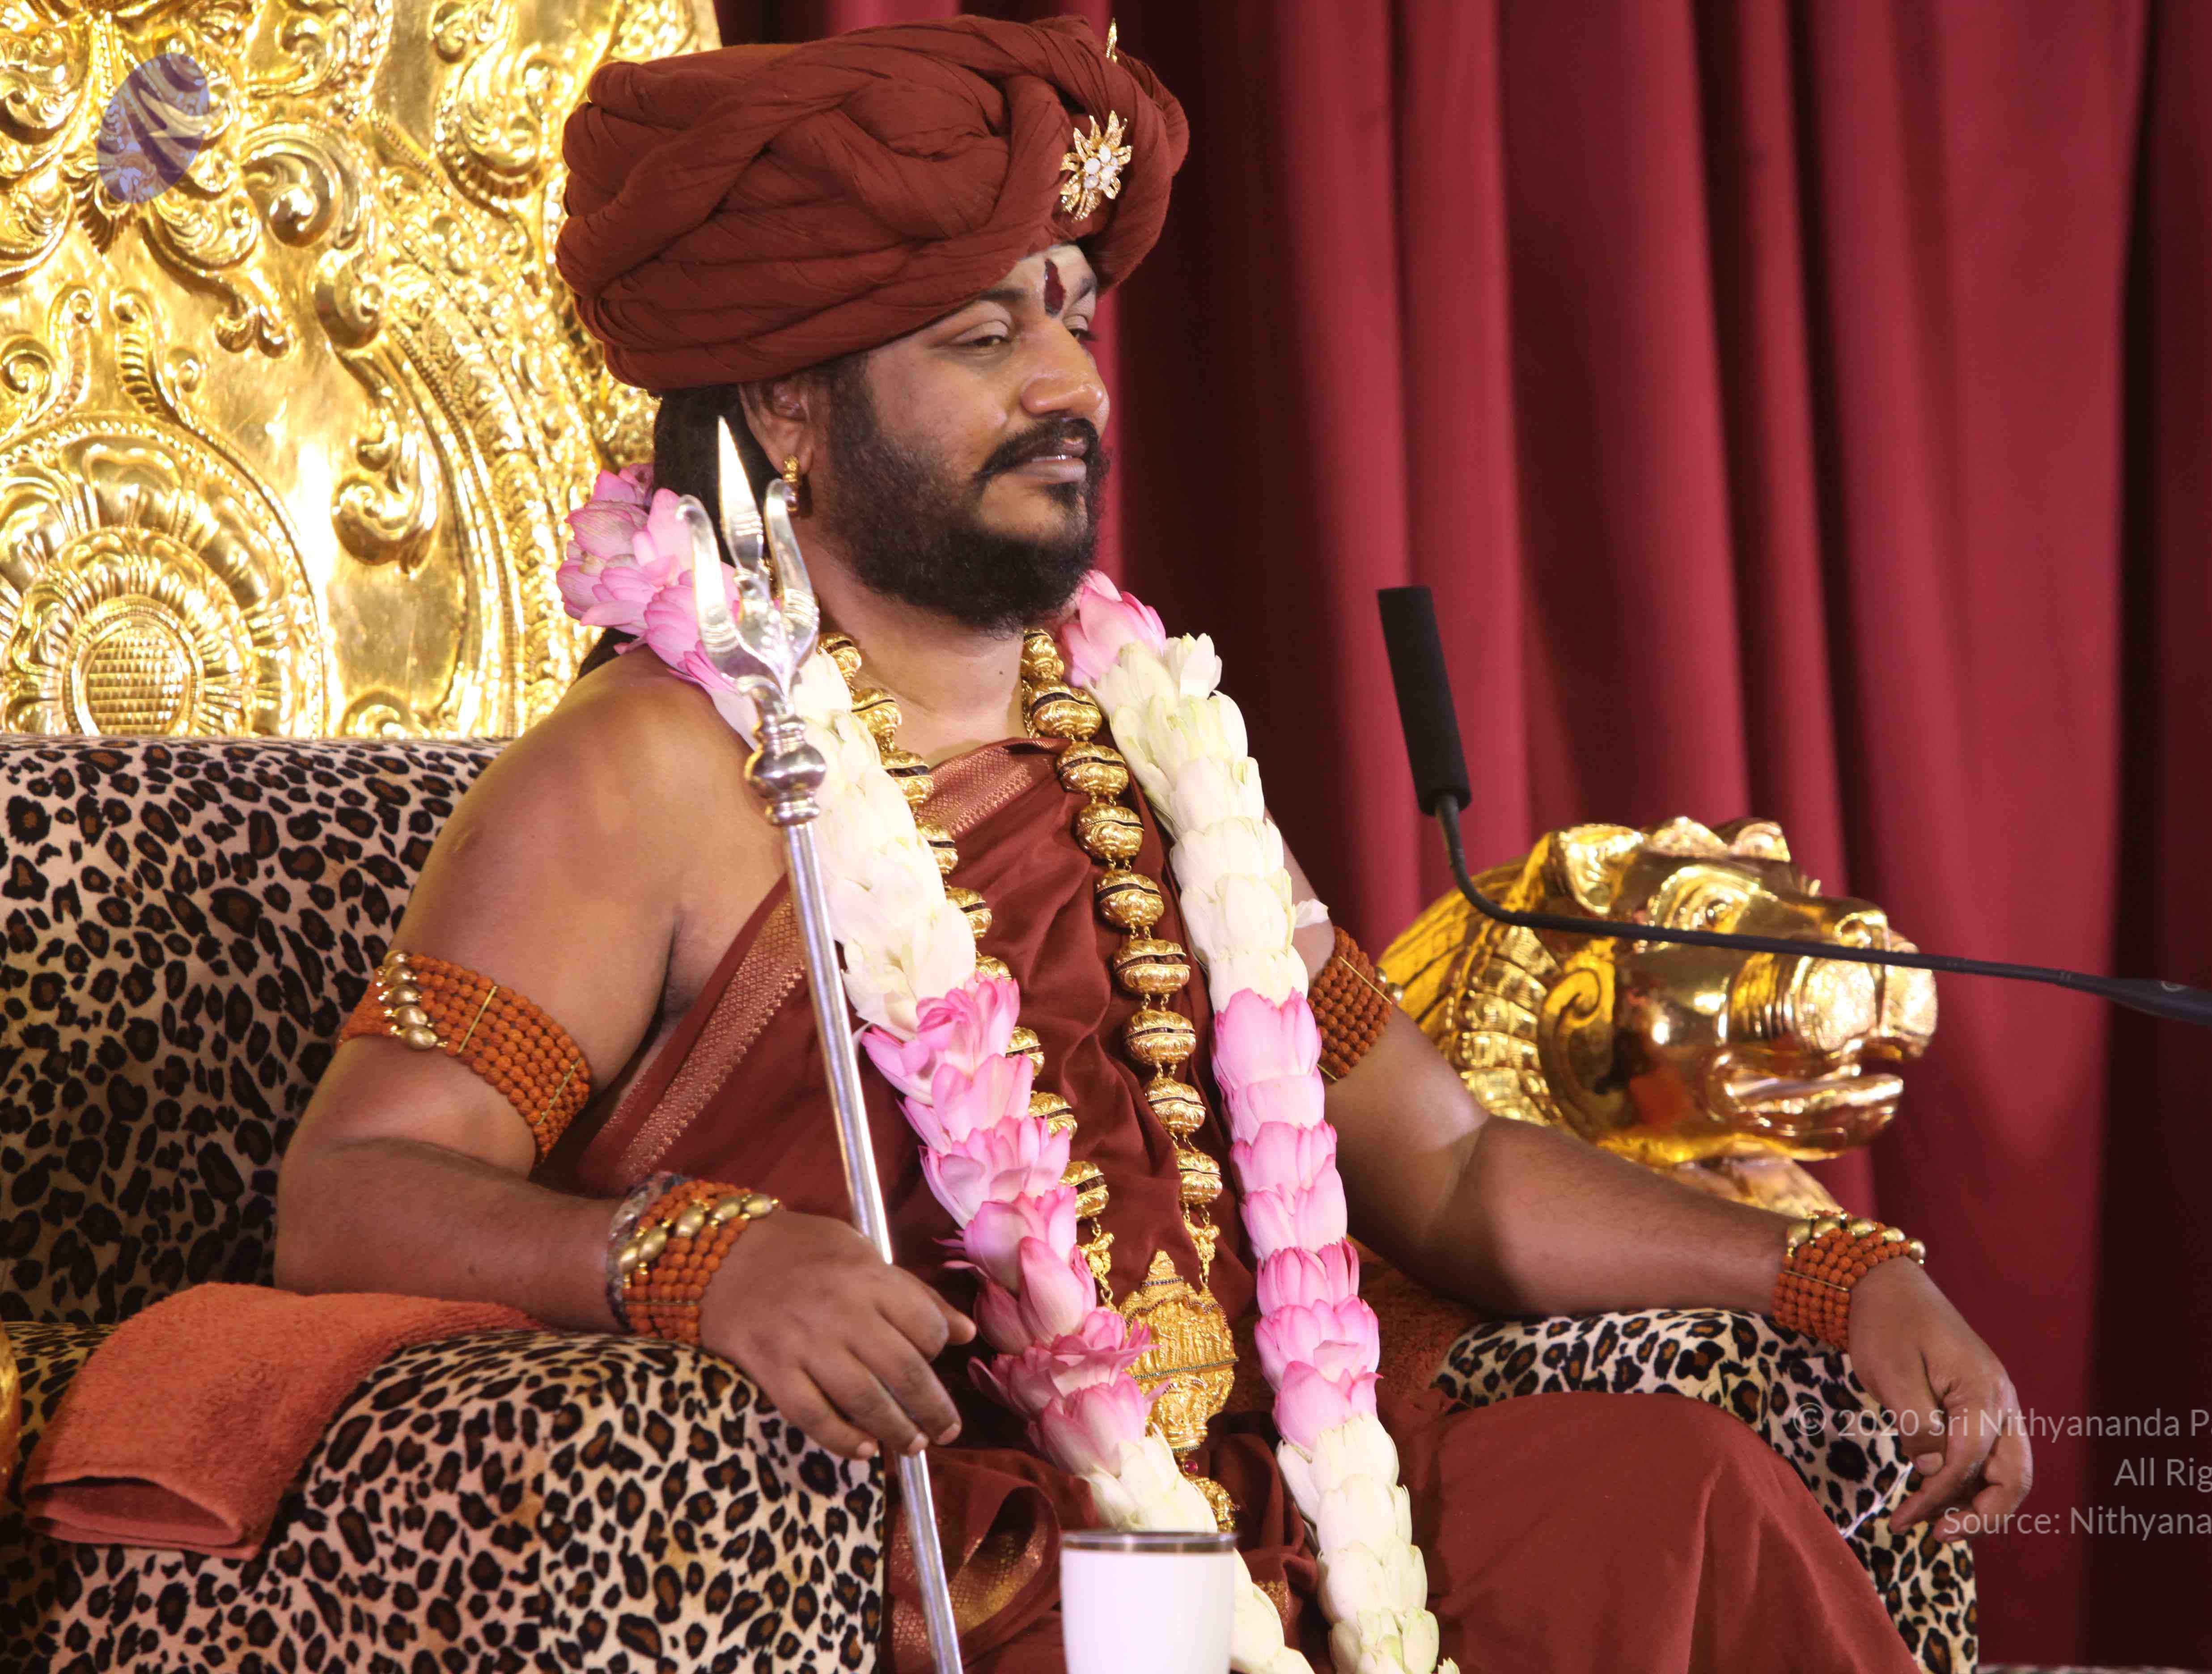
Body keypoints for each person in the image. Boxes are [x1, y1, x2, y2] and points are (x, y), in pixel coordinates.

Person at [275, 17, 2030, 1672]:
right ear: (791, 409)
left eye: (1072, 321)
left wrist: (1826, 1267)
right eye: (982, 339)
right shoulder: (649, 771)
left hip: (1292, 1525)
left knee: (1683, 1500)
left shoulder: (1154, 749)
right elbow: (351, 1193)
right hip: (968, 1563)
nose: (1073, 388)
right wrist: (687, 1258)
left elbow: (1451, 1171)